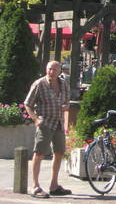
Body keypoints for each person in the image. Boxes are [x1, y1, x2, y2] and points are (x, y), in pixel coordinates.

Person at [24, 61, 71, 198]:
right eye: (50, 69)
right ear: (46, 69)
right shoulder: (39, 84)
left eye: (55, 69)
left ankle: (54, 185)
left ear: (60, 71)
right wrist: (35, 119)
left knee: (59, 153)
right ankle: (35, 186)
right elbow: (28, 104)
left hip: (59, 123)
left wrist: (66, 106)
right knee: (39, 153)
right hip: (45, 123)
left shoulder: (64, 84)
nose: (52, 72)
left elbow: (67, 102)